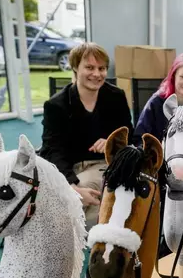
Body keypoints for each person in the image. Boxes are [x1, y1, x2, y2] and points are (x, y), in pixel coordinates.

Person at [40, 42, 135, 226]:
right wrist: (71, 187)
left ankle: (95, 242)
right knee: (68, 203)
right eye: (89, 67)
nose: (97, 74)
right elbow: (51, 150)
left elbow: (129, 135)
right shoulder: (56, 105)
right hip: (68, 169)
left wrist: (111, 141)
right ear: (75, 67)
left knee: (78, 206)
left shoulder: (116, 96)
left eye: (102, 68)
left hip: (104, 165)